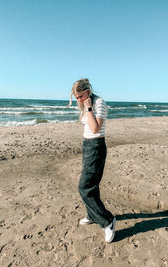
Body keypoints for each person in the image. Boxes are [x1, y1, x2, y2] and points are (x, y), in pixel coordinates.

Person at [69, 78, 116, 243]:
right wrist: (85, 107)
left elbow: (96, 129)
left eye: (81, 96)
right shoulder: (85, 104)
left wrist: (88, 107)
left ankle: (107, 221)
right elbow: (87, 126)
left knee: (84, 187)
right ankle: (91, 214)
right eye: (77, 98)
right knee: (91, 184)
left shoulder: (99, 103)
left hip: (96, 146)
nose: (79, 100)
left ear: (88, 92)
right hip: (87, 145)